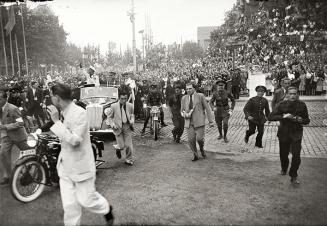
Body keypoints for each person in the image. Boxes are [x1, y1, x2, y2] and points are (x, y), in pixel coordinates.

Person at [46, 83, 114, 225]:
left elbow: (75, 140)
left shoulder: (80, 113)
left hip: (81, 165)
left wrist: (56, 121)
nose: (50, 99)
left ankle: (106, 209)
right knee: (70, 206)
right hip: (65, 166)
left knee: (87, 200)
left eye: (51, 96)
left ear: (57, 98)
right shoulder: (62, 112)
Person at [268, 86, 310, 185]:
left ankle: (293, 175)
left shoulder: (302, 105)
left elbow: (307, 120)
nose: (292, 96)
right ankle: (284, 167)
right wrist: (283, 116)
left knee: (296, 155)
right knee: (283, 154)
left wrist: (301, 120)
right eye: (290, 94)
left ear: (297, 94)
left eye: (294, 93)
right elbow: (270, 117)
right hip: (284, 132)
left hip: (296, 133)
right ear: (287, 95)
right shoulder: (281, 104)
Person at [0, 89, 30, 185]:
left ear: (5, 99)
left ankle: (28, 174)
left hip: (19, 136)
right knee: (3, 154)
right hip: (6, 136)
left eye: (0, 99)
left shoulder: (13, 108)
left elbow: (21, 123)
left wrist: (5, 127)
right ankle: (8, 176)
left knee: (27, 155)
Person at [181, 82, 214, 161]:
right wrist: (184, 114)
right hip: (189, 122)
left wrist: (210, 121)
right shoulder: (184, 98)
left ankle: (202, 149)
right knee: (191, 140)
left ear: (194, 88)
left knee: (199, 139)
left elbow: (207, 108)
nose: (188, 90)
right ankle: (195, 154)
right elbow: (181, 110)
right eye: (187, 89)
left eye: (190, 88)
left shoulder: (200, 96)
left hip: (199, 122)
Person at [107, 86, 135, 165]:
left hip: (127, 127)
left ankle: (129, 159)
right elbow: (109, 118)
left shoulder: (130, 106)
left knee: (128, 145)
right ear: (119, 98)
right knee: (122, 146)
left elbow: (132, 115)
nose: (124, 100)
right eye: (122, 98)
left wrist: (132, 120)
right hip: (118, 128)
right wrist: (113, 125)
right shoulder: (113, 106)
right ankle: (118, 148)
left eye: (125, 98)